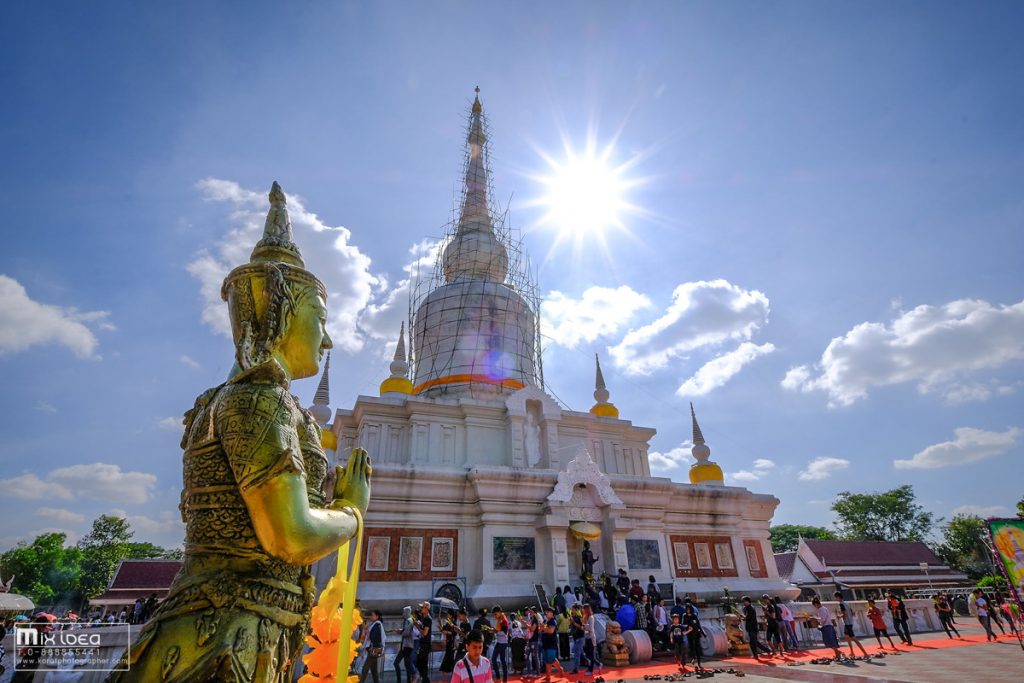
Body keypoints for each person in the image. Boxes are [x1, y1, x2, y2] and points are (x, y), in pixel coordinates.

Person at [105, 183, 372, 683]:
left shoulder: (235, 401)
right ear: (284, 311)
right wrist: (352, 510)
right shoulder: (257, 400)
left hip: (234, 632)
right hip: (225, 638)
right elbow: (291, 536)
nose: (328, 337)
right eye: (320, 317)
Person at [833, 592, 868, 658]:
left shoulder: (841, 604)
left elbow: (844, 614)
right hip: (850, 622)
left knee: (853, 638)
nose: (835, 599)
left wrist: (838, 616)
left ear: (838, 597)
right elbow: (852, 613)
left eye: (836, 597)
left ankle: (865, 653)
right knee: (847, 637)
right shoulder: (846, 603)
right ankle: (852, 652)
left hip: (847, 623)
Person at [540, 607, 565, 683]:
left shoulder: (552, 621)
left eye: (547, 612)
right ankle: (556, 672)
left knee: (550, 660)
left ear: (551, 613)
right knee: (549, 660)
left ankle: (551, 675)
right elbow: (542, 629)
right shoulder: (545, 621)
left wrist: (543, 628)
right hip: (545, 643)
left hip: (551, 643)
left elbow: (551, 631)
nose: (546, 613)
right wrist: (541, 628)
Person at [361, 609, 386, 683]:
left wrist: (368, 633)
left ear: (377, 616)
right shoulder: (376, 624)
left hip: (374, 649)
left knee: (365, 669)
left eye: (372, 615)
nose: (371, 617)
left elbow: (374, 637)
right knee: (374, 670)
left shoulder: (377, 625)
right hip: (375, 649)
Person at [396, 606, 417, 683]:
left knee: (403, 663)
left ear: (407, 612)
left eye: (404, 612)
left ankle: (412, 677)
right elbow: (406, 630)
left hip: (407, 645)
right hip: (405, 645)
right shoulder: (408, 620)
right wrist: (401, 630)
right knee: (406, 664)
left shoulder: (408, 620)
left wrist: (400, 632)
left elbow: (407, 632)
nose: (402, 614)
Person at [415, 601, 434, 683]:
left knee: (422, 663)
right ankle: (425, 679)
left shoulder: (428, 619)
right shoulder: (423, 618)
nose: (421, 609)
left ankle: (425, 680)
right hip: (422, 643)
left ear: (426, 609)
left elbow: (425, 633)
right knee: (420, 663)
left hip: (426, 644)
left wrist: (417, 626)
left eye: (422, 607)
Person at [490, 606, 509, 683]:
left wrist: (495, 631)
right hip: (500, 642)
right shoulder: (500, 619)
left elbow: (504, 633)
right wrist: (493, 630)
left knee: (496, 660)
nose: (495, 615)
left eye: (495, 614)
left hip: (502, 642)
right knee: (501, 660)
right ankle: (503, 679)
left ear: (499, 612)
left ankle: (499, 678)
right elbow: (499, 630)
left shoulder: (503, 620)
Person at [567, 604, 588, 674]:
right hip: (575, 637)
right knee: (580, 653)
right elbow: (570, 626)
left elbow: (582, 627)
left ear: (576, 610)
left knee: (577, 654)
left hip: (580, 637)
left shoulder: (580, 617)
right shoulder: (573, 617)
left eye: (573, 609)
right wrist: (570, 622)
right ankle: (589, 662)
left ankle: (575, 669)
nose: (571, 610)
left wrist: (574, 623)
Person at [683, 604, 703, 672]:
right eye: (687, 609)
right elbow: (683, 624)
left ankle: (699, 662)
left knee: (697, 647)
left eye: (689, 609)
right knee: (691, 647)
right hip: (689, 633)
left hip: (696, 633)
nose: (688, 610)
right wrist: (687, 627)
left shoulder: (694, 615)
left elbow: (698, 624)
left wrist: (702, 632)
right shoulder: (684, 616)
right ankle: (693, 658)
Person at [440, 611, 459, 683]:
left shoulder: (454, 624)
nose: (447, 615)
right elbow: (442, 630)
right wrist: (439, 622)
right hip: (448, 643)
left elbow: (453, 633)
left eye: (448, 614)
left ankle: (444, 679)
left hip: (451, 644)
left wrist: (446, 632)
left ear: (451, 616)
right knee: (448, 661)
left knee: (449, 661)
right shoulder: (447, 623)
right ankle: (444, 678)